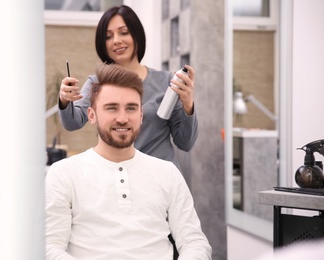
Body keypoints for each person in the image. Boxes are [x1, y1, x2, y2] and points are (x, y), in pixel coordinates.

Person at [45, 64, 212, 260]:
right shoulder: (64, 173)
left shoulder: (167, 173)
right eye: (111, 108)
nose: (122, 118)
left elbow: (194, 242)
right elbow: (49, 246)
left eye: (131, 108)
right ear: (92, 115)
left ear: (141, 116)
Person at [58, 5, 198, 167]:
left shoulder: (167, 81)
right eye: (108, 36)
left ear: (136, 35)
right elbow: (72, 123)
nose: (116, 40)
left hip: (159, 180)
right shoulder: (97, 83)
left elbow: (185, 143)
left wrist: (188, 105)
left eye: (124, 32)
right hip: (117, 177)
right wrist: (64, 100)